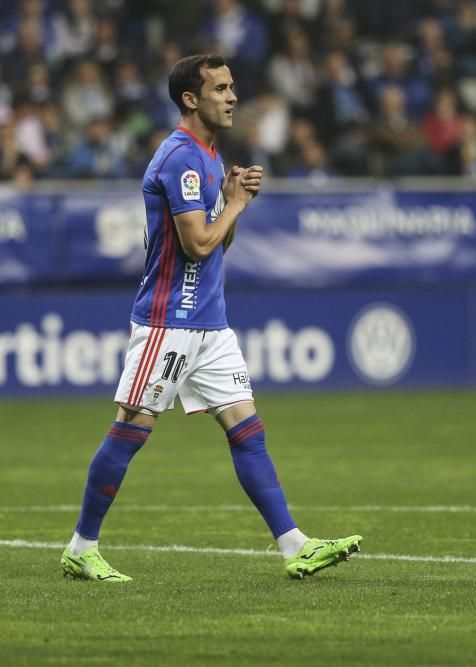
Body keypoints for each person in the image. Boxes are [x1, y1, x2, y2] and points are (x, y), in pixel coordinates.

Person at [60, 54, 362, 583]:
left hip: (210, 322)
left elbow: (220, 242)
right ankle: (82, 547)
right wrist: (238, 204)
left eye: (233, 87)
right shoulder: (179, 157)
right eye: (220, 88)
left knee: (248, 432)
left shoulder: (210, 157)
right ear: (190, 99)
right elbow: (198, 244)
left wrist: (230, 200)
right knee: (132, 428)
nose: (232, 96)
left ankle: (295, 545)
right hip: (169, 320)